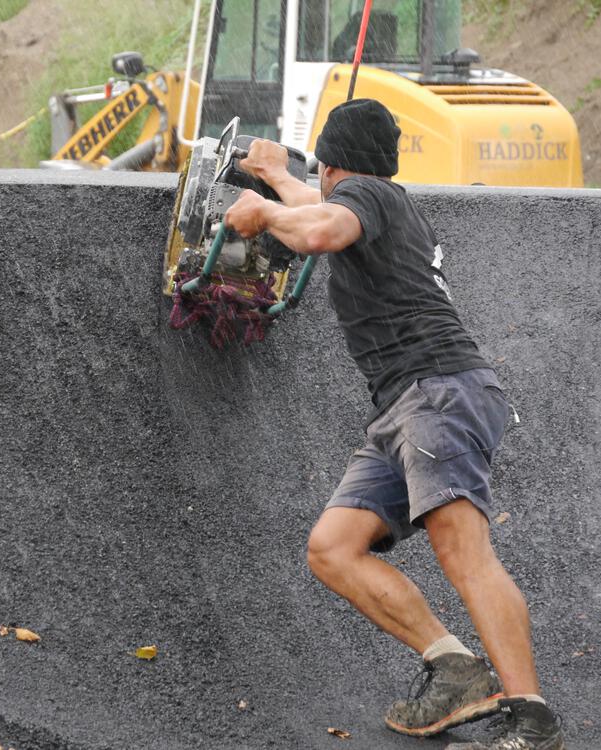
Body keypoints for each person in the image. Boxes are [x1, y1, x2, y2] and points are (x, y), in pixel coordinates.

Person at [222, 98, 565, 750]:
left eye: (319, 170)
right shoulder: (373, 197)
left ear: (333, 165)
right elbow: (318, 208)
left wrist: (265, 209)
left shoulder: (363, 199)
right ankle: (455, 666)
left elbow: (319, 228)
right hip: (406, 408)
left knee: (464, 554)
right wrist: (274, 175)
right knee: (334, 548)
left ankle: (533, 718)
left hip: (438, 394)